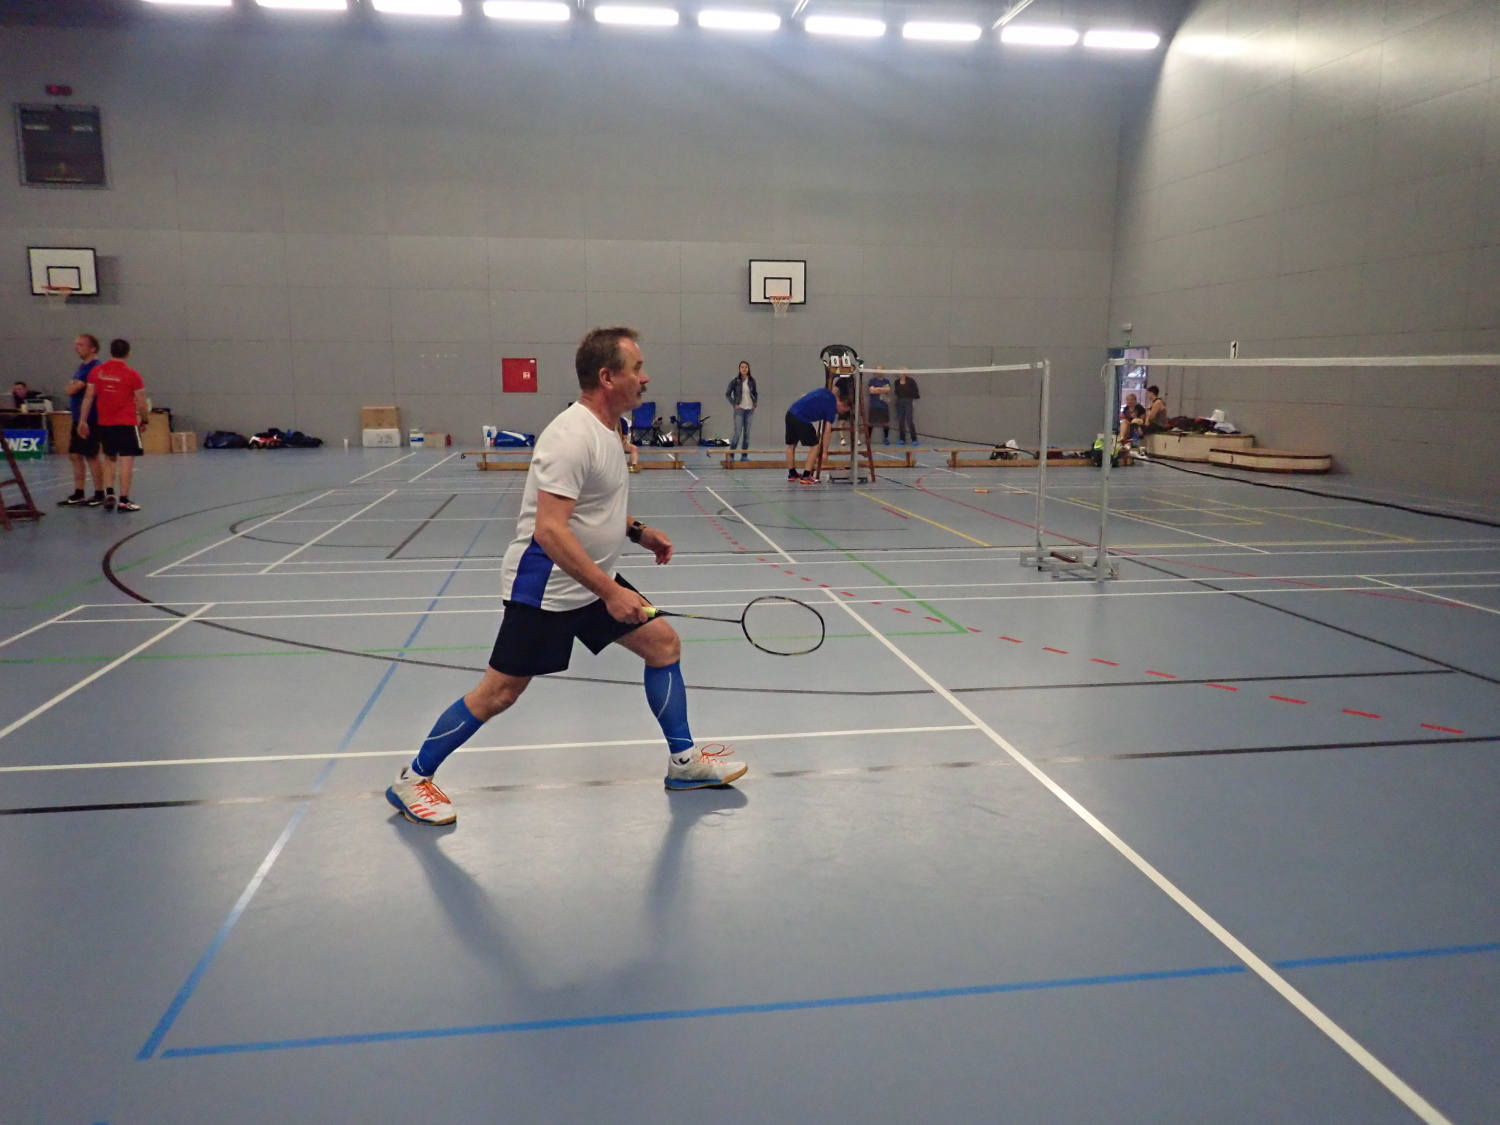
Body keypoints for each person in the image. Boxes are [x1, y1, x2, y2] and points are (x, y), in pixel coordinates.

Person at [385, 327, 748, 827]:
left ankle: (684, 765)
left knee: (663, 645)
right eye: (637, 368)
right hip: (547, 588)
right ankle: (413, 779)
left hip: (592, 580)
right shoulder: (570, 437)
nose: (646, 378)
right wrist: (611, 592)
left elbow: (593, 507)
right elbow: (551, 530)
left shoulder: (610, 429)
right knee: (499, 693)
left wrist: (638, 532)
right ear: (608, 377)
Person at [76, 338, 147, 512]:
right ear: (128, 353)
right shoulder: (133, 374)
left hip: (105, 422)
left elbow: (88, 397)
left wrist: (82, 421)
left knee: (109, 457)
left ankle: (109, 492)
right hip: (126, 422)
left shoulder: (97, 371)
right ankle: (124, 500)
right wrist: (144, 420)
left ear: (111, 351)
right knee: (126, 459)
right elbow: (141, 403)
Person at [58, 335, 105, 507]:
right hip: (78, 417)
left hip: (90, 418)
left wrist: (73, 386)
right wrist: (73, 386)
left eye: (81, 345)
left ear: (93, 348)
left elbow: (71, 389)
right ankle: (79, 493)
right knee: (75, 455)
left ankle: (99, 493)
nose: (76, 347)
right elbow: (71, 387)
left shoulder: (94, 368)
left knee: (91, 455)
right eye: (76, 344)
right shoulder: (82, 368)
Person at [784, 380, 850, 483]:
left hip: (790, 413)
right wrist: (824, 453)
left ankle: (792, 473)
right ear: (842, 404)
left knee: (791, 445)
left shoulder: (825, 392)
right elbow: (827, 430)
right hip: (801, 418)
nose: (841, 413)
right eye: (843, 411)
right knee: (815, 446)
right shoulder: (832, 407)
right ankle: (806, 476)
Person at [725, 360, 757, 461]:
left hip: (749, 410)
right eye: (742, 367)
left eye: (746, 367)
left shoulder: (752, 381)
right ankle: (731, 455)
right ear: (739, 369)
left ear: (748, 369)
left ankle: (744, 456)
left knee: (747, 434)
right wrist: (734, 404)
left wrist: (754, 403)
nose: (744, 369)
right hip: (739, 410)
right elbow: (728, 394)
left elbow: (755, 393)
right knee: (738, 432)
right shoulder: (735, 381)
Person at [865, 366, 892, 445]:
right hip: (874, 405)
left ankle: (886, 438)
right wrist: (882, 390)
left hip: (884, 405)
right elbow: (872, 391)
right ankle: (868, 438)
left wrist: (877, 389)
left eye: (880, 370)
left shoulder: (886, 381)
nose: (879, 372)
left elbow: (888, 390)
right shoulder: (872, 381)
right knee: (871, 422)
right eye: (877, 370)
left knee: (886, 422)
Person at [893, 371, 920, 445]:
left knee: (909, 420)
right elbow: (896, 392)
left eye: (902, 373)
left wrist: (911, 398)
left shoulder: (911, 381)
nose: (900, 374)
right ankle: (902, 439)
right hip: (899, 401)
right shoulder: (896, 382)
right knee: (901, 421)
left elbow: (915, 391)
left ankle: (914, 439)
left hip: (908, 401)